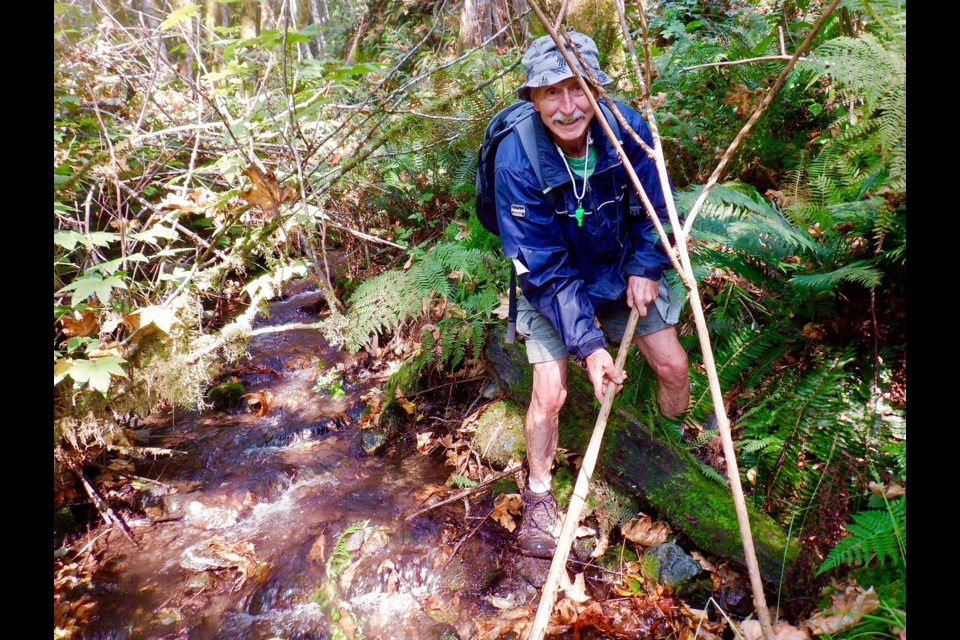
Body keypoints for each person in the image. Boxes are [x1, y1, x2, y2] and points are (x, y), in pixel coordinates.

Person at [493, 31, 691, 558]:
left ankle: (674, 441)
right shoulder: (516, 160)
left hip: (619, 266)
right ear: (531, 98)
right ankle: (538, 495)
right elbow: (544, 269)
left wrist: (648, 265)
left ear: (597, 89)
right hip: (550, 282)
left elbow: (657, 205)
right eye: (550, 93)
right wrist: (590, 345)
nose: (567, 106)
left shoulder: (625, 129)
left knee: (673, 366)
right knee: (550, 393)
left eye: (577, 88)